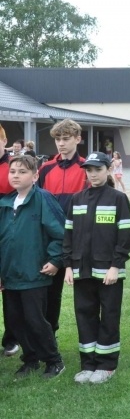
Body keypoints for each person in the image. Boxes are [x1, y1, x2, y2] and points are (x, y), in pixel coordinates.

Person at [63, 152, 130, 384]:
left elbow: (126, 237)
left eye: (98, 170)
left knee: (109, 316)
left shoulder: (117, 198)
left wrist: (116, 265)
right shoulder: (77, 199)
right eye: (89, 170)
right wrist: (68, 266)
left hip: (109, 272)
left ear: (108, 169)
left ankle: (106, 364)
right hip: (82, 270)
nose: (93, 174)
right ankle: (88, 364)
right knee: (84, 315)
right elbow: (69, 236)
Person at [0, 154, 65, 378]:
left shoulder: (43, 199)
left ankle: (54, 360)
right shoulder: (5, 203)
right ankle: (30, 359)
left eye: (22, 172)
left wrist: (55, 260)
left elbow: (61, 234)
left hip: (34, 273)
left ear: (36, 176)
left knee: (36, 320)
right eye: (12, 172)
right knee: (16, 322)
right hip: (10, 275)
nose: (16, 176)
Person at [38, 119, 87, 335]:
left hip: (80, 238)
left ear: (78, 139)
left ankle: (90, 339)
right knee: (49, 291)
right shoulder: (46, 168)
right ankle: (49, 334)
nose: (61, 143)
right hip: (50, 239)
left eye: (66, 139)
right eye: (57, 139)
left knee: (85, 292)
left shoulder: (87, 168)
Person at [0, 125, 20, 357]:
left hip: (10, 234)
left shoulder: (14, 167)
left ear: (4, 140)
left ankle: (11, 338)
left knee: (11, 289)